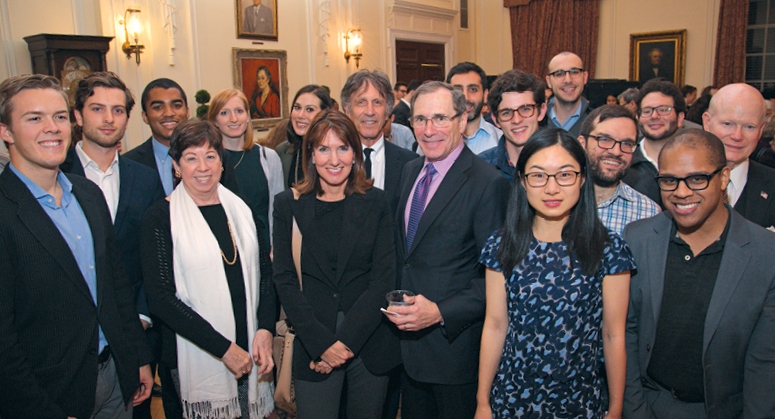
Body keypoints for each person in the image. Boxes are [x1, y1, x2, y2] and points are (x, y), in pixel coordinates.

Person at [0, 74, 153, 418]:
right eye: (34, 118)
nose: (52, 128)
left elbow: (115, 288)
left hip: (115, 379)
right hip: (49, 395)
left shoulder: (87, 195)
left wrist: (137, 357)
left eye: (58, 116)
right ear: (5, 131)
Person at [476, 128, 634, 418]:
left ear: (582, 178)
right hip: (512, 398)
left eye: (564, 174)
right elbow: (496, 326)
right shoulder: (502, 244)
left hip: (580, 400)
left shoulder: (607, 247)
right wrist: (483, 402)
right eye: (538, 175)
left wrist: (616, 409)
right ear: (522, 181)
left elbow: (613, 335)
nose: (551, 188)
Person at [622, 129, 775, 419]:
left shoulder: (766, 254)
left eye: (696, 178)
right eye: (669, 180)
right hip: (649, 405)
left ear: (723, 178)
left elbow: (765, 363)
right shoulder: (638, 238)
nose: (681, 192)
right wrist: (635, 410)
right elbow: (625, 333)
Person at [385, 81, 510, 419]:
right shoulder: (411, 170)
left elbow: (496, 280)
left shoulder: (489, 183)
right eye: (420, 119)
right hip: (407, 350)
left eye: (440, 118)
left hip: (456, 355)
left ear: (462, 118)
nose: (429, 130)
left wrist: (440, 311)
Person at [141, 119, 276, 418]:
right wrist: (224, 349)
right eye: (191, 158)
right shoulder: (161, 218)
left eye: (210, 156)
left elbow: (265, 276)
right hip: (197, 354)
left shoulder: (241, 210)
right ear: (176, 165)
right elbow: (161, 299)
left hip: (250, 348)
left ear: (222, 162)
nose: (203, 167)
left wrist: (265, 328)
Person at [272, 109, 401, 419]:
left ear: (355, 153)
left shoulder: (378, 202)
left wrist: (343, 345)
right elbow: (285, 281)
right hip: (312, 341)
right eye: (323, 148)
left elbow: (383, 279)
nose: (334, 159)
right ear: (310, 154)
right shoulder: (287, 204)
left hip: (368, 340)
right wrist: (322, 345)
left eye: (343, 148)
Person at [59, 72, 165, 419]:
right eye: (97, 109)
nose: (108, 119)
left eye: (118, 110)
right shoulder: (56, 173)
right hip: (71, 342)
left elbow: (156, 256)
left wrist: (142, 319)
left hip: (137, 330)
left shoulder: (144, 177)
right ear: (78, 116)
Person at [124, 78, 239, 195]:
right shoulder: (129, 164)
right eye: (158, 107)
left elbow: (231, 205)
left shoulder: (218, 157)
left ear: (187, 112)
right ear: (145, 116)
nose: (169, 113)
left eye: (177, 105)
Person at [208, 88, 284, 243]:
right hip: (223, 244)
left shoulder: (268, 157)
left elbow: (278, 211)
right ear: (215, 121)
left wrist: (276, 248)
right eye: (224, 113)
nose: (233, 118)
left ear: (248, 116)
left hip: (262, 243)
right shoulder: (208, 161)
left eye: (239, 111)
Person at [341, 70, 417, 215]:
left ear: (387, 111)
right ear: (347, 110)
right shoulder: (333, 164)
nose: (370, 111)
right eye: (361, 102)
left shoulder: (410, 164)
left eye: (377, 102)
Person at [578, 104, 660, 235]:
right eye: (604, 139)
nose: (616, 152)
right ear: (583, 144)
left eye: (627, 144)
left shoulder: (648, 213)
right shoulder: (554, 200)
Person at [702, 83, 775, 229]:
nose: (737, 136)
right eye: (728, 124)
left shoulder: (772, 184)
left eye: (749, 127)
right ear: (707, 122)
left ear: (761, 130)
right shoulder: (677, 182)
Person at [623, 78, 687, 209]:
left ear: (680, 118)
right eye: (647, 111)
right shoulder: (624, 160)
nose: (654, 116)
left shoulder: (693, 161)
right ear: (638, 117)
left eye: (663, 110)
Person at [479, 69, 546, 182]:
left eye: (525, 109)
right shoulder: (481, 169)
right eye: (506, 113)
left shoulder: (562, 163)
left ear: (541, 112)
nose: (517, 120)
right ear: (496, 120)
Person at [276, 85, 333, 188]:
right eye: (297, 107)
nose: (301, 115)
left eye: (310, 109)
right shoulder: (283, 151)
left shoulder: (336, 152)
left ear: (324, 113)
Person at [447, 62, 503, 154]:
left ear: (485, 95)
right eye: (457, 90)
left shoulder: (499, 141)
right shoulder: (434, 141)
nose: (465, 97)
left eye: (473, 89)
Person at [545, 51, 592, 138]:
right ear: (549, 82)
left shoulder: (597, 124)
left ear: (585, 77)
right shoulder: (535, 123)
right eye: (559, 74)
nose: (568, 80)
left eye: (574, 72)